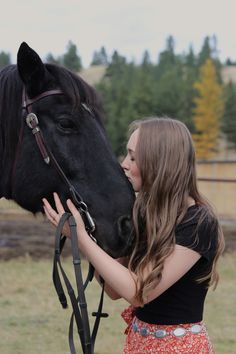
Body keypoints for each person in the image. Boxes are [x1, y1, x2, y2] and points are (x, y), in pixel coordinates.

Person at [43, 117, 224, 353]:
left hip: (179, 348)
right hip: (139, 344)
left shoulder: (198, 222)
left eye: (133, 157)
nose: (124, 164)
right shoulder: (145, 214)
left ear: (160, 162)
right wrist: (90, 229)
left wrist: (83, 241)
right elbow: (115, 290)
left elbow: (139, 292)